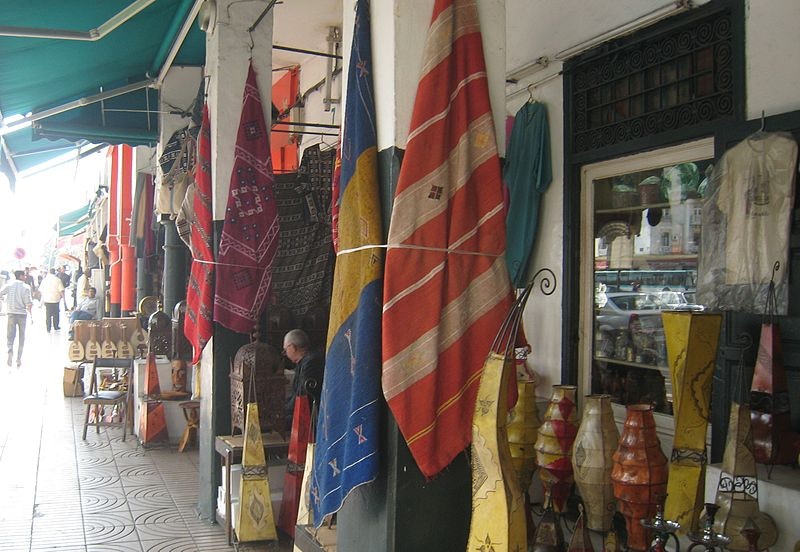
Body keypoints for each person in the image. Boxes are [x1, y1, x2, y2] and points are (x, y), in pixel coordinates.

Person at [282, 329, 325, 430]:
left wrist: (284, 411)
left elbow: (303, 394)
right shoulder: (305, 360)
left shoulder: (311, 362)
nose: (286, 353)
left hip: (311, 413)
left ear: (292, 347)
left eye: (285, 350)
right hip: (302, 408)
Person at [0, 270, 33, 367]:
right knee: (21, 337)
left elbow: (0, 293)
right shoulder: (26, 287)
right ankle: (18, 359)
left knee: (10, 336)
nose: (25, 277)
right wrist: (31, 315)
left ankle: (10, 350)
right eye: (24, 275)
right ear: (21, 276)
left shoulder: (9, 285)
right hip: (22, 314)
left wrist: (4, 300)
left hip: (11, 314)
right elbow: (28, 303)